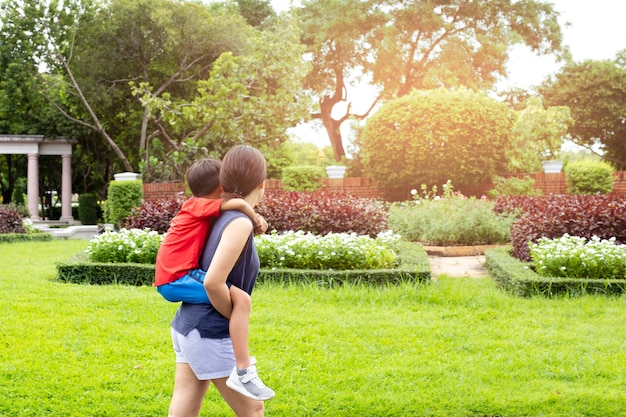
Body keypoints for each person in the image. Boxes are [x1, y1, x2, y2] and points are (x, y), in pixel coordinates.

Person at [168, 145, 273, 417]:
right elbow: (213, 282)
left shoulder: (217, 214)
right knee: (253, 408)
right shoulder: (238, 221)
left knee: (186, 404)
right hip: (209, 332)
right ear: (262, 184)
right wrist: (235, 312)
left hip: (187, 326)